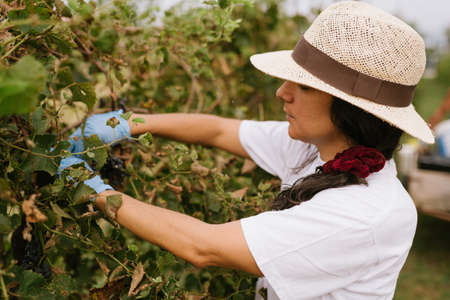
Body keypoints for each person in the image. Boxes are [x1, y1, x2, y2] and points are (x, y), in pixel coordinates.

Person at [59, 1, 435, 299]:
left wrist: (93, 189)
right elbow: (219, 130)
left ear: (350, 109)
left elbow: (201, 246)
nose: (282, 92)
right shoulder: (318, 149)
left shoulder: (364, 215)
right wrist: (129, 122)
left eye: (303, 87)